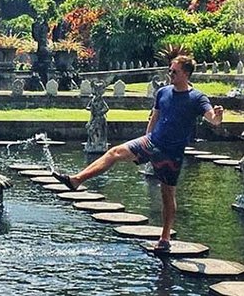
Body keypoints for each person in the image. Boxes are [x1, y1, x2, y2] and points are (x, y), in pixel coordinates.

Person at [53, 55, 224, 251]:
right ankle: (76, 180)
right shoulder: (163, 92)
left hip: (172, 152)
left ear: (186, 74)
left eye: (174, 71)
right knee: (114, 152)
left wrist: (218, 116)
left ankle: (165, 238)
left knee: (167, 193)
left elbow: (213, 119)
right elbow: (155, 116)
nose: (170, 74)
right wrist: (146, 139)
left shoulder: (198, 98)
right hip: (152, 143)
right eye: (170, 70)